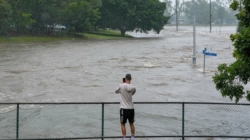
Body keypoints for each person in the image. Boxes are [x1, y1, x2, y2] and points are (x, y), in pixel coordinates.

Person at [115, 74, 136, 140]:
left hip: (123, 108)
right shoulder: (133, 87)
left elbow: (116, 91)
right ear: (130, 79)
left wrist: (121, 83)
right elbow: (132, 93)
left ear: (125, 78)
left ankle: (124, 138)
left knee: (122, 123)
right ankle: (132, 137)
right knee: (131, 123)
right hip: (131, 108)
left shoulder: (121, 86)